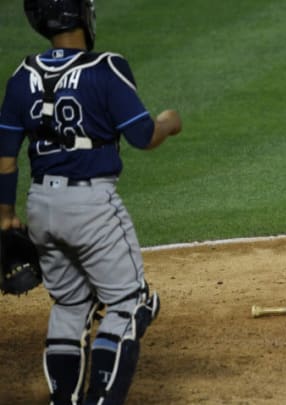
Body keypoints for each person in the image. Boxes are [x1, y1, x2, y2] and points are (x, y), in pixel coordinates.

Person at [0, 0, 181, 403]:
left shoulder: (20, 76)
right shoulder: (106, 68)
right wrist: (169, 122)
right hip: (91, 207)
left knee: (69, 304)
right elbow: (143, 136)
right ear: (83, 15)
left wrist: (6, 215)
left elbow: (6, 159)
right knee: (132, 304)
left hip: (40, 206)